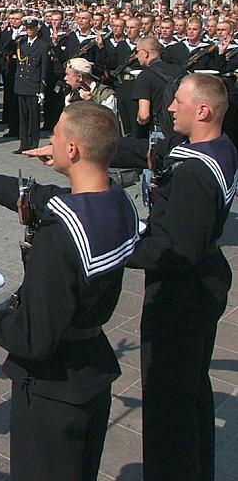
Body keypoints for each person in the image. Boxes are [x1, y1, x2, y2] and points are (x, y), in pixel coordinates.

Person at [0, 101, 139, 481]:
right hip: (92, 370)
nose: (49, 141)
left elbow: (31, 337)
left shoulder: (60, 235)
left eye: (55, 135)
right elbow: (40, 197)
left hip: (52, 389)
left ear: (72, 149)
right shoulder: (121, 203)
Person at [124, 74, 236, 481]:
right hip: (202, 288)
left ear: (202, 111)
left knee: (167, 408)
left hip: (180, 300)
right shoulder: (214, 148)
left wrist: (112, 248)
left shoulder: (195, 173)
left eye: (178, 102)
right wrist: (90, 147)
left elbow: (174, 251)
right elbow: (150, 151)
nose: (170, 107)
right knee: (191, 395)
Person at [14, 16, 50, 154]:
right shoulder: (21, 44)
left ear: (37, 29)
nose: (29, 30)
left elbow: (44, 69)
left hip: (33, 84)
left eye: (32, 28)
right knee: (23, 118)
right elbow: (5, 49)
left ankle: (33, 145)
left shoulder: (43, 45)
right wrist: (14, 36)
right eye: (27, 28)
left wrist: (42, 89)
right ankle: (23, 144)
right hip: (21, 84)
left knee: (34, 118)